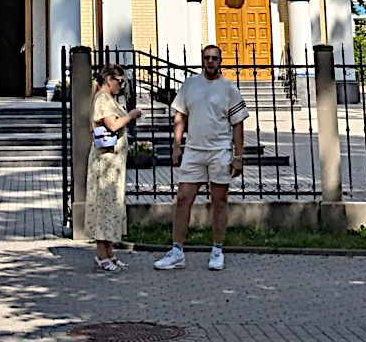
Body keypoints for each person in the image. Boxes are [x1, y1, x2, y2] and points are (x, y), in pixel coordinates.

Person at [154, 44, 248, 272]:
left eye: (215, 58)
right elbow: (180, 116)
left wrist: (238, 156)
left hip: (219, 152)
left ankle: (217, 249)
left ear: (221, 61)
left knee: (219, 201)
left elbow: (238, 125)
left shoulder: (229, 89)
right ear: (202, 60)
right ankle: (177, 251)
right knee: (183, 198)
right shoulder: (190, 84)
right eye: (207, 58)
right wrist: (177, 146)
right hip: (194, 151)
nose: (211, 62)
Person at [86, 64, 143, 272]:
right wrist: (131, 116)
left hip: (114, 164)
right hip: (105, 163)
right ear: (109, 79)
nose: (121, 85)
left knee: (112, 206)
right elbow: (112, 125)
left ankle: (110, 252)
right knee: (104, 207)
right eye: (119, 81)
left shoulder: (110, 99)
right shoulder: (102, 99)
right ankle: (101, 254)